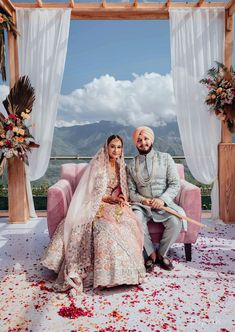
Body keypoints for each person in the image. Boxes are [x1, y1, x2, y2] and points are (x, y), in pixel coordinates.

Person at [41, 135, 145, 295]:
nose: (115, 150)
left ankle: (125, 273)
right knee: (101, 229)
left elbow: (121, 188)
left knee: (129, 224)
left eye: (119, 147)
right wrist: (109, 199)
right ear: (106, 147)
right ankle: (101, 276)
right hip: (97, 203)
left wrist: (122, 197)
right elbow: (91, 192)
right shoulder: (98, 165)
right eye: (112, 146)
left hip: (114, 204)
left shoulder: (121, 166)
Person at [127, 126, 186, 272]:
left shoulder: (166, 158)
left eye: (146, 139)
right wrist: (142, 200)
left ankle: (161, 254)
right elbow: (131, 191)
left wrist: (162, 200)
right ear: (135, 143)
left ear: (151, 140)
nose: (143, 143)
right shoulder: (131, 164)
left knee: (175, 221)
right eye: (139, 140)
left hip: (163, 204)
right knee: (136, 218)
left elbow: (174, 183)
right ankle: (151, 254)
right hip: (142, 205)